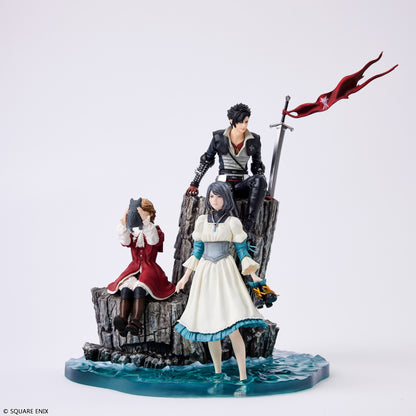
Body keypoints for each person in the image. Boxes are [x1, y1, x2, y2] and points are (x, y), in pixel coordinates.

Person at [175, 182, 266, 381]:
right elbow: (197, 251)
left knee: (232, 324)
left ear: (226, 198)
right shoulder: (202, 221)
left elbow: (242, 251)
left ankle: (243, 375)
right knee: (210, 326)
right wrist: (185, 277)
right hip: (205, 273)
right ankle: (217, 372)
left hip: (225, 272)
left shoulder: (232, 222)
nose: (214, 201)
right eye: (211, 197)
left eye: (218, 196)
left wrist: (254, 276)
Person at [186, 103, 268, 234]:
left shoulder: (254, 139)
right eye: (240, 122)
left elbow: (257, 166)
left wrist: (263, 190)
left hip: (242, 183)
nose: (243, 125)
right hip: (223, 184)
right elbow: (207, 160)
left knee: (260, 179)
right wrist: (195, 183)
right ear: (231, 121)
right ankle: (238, 228)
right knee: (225, 189)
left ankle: (248, 225)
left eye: (246, 121)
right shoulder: (218, 137)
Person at [107, 198, 176, 336]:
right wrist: (124, 222)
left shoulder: (155, 231)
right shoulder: (134, 233)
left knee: (140, 288)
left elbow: (153, 241)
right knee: (126, 288)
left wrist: (146, 221)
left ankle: (136, 321)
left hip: (150, 268)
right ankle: (122, 319)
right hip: (134, 268)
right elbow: (125, 241)